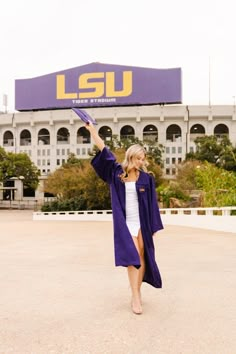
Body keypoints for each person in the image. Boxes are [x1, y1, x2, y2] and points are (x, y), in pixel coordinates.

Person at [85, 122, 164, 315]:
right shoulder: (116, 173)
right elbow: (103, 149)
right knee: (133, 256)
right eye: (138, 159)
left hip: (142, 223)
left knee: (143, 256)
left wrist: (153, 226)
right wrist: (92, 131)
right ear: (130, 157)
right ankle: (135, 297)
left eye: (142, 159)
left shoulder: (147, 179)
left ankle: (136, 292)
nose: (140, 162)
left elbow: (153, 203)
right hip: (126, 223)